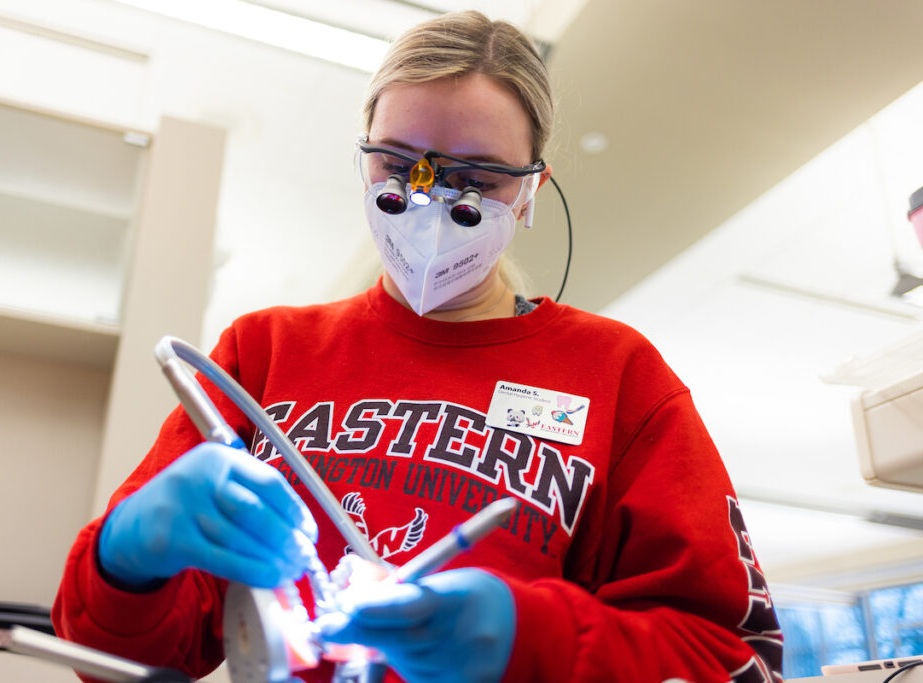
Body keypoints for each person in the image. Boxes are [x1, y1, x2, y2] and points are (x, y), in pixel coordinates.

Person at [54, 10, 783, 683]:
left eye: (476, 179)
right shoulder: (263, 353)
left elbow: (732, 656)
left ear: (532, 190)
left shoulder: (619, 376)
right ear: (361, 156)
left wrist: (532, 635)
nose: (430, 201)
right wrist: (129, 556)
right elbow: (114, 653)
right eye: (399, 164)